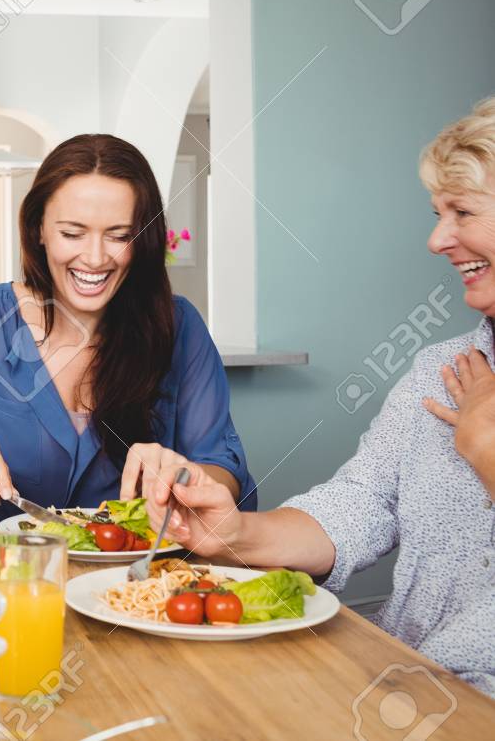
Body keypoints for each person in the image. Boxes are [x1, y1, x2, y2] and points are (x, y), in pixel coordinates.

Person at [152, 99, 495, 697]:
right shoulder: (440, 367)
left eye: (461, 212)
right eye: (438, 213)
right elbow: (364, 501)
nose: (438, 239)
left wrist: (488, 448)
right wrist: (237, 534)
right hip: (399, 679)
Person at [0, 133, 257, 525]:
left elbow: (225, 474)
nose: (95, 257)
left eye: (119, 236)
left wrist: (186, 477)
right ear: (38, 229)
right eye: (72, 233)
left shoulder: (180, 328)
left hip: (133, 582)